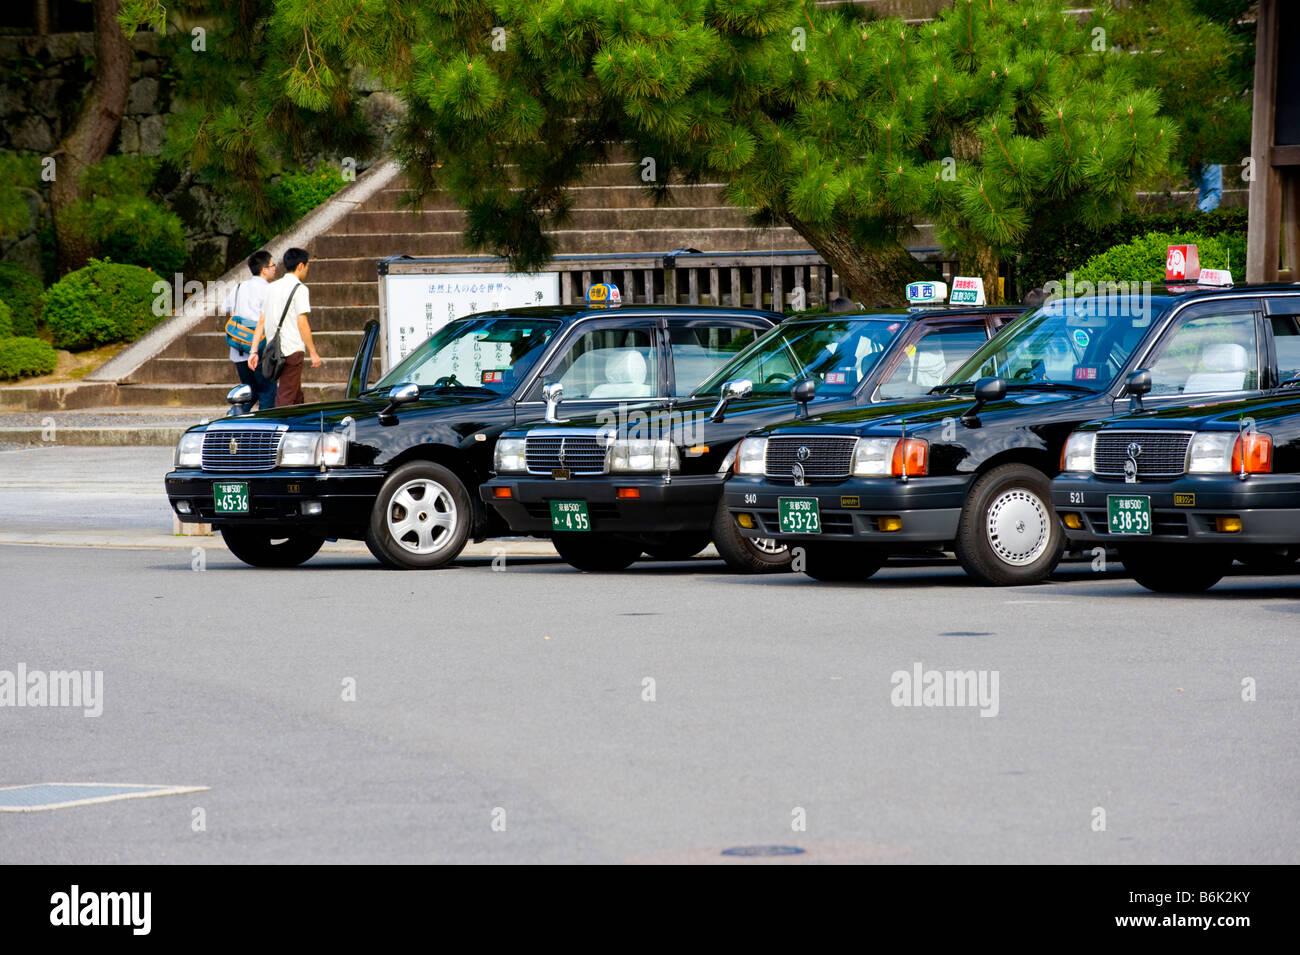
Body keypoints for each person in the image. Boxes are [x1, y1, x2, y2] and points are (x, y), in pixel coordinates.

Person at [249, 247, 321, 407]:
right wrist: (313, 352)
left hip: (273, 351)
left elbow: (261, 321)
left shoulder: (271, 288)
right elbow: (302, 322)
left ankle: (300, 422)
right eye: (307, 266)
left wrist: (253, 351)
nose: (307, 270)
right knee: (286, 396)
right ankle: (278, 427)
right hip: (292, 350)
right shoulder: (300, 289)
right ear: (301, 266)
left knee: (295, 393)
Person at [220, 250, 277, 410]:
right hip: (259, 348)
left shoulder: (238, 287)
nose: (275, 268)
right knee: (267, 391)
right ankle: (263, 428)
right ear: (264, 269)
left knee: (248, 392)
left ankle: (233, 420)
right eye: (273, 265)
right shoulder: (269, 290)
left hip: (238, 349)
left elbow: (225, 308)